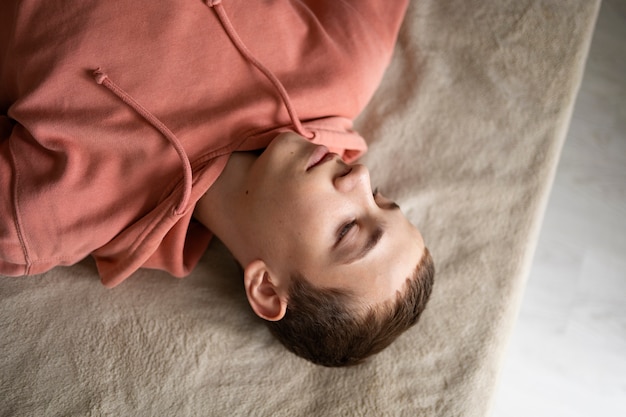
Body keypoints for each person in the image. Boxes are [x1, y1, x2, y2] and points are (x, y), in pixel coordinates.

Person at [0, 0, 434, 366]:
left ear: (266, 288)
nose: (359, 176)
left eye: (348, 229)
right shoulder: (342, 69)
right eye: (379, 197)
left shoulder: (46, 217)